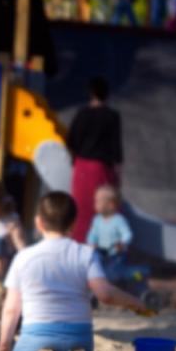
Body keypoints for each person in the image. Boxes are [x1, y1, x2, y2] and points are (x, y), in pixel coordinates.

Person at [0, 192, 148, 351]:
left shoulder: (24, 257)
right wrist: (135, 302)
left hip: (37, 334)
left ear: (39, 223)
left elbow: (11, 309)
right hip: (79, 336)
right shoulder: (85, 253)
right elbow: (105, 294)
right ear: (73, 224)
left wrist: (4, 345)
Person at [67, 76, 123, 242]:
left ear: (91, 94)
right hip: (102, 168)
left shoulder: (82, 114)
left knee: (81, 207)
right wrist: (119, 174)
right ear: (107, 94)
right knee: (103, 205)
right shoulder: (112, 116)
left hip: (82, 166)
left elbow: (71, 140)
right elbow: (116, 147)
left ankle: (78, 240)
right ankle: (105, 242)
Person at [86, 184, 133, 275]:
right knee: (100, 271)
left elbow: (127, 234)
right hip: (101, 252)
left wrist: (122, 243)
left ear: (111, 205)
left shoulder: (119, 220)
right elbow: (92, 234)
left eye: (98, 202)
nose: (95, 204)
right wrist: (91, 243)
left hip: (115, 254)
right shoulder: (97, 220)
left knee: (115, 273)